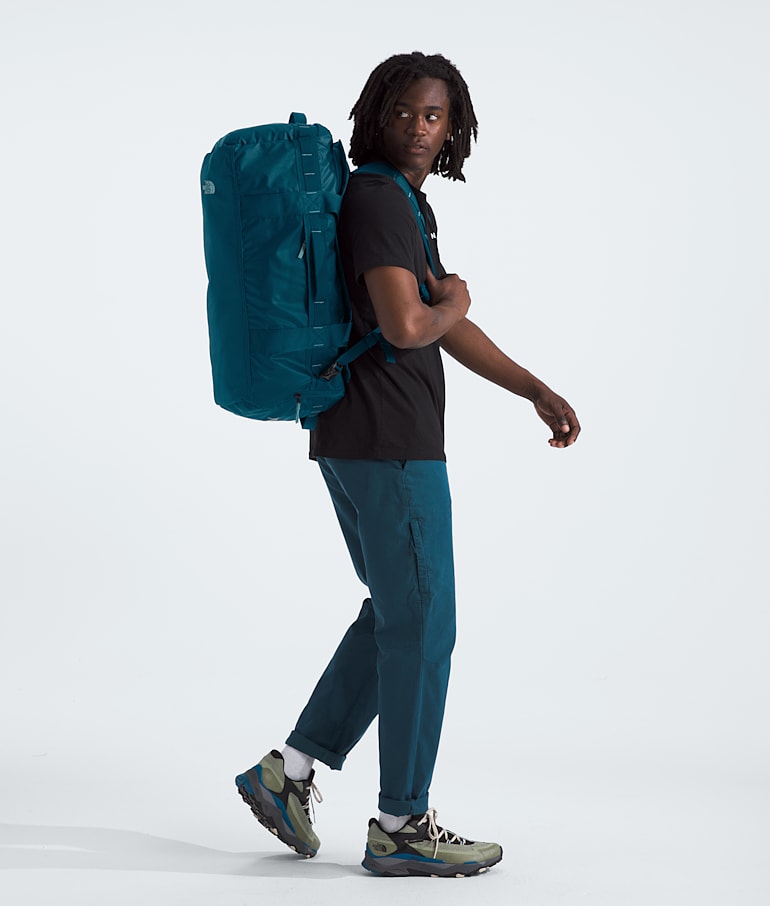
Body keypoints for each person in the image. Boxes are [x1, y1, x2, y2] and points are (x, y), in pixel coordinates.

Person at [234, 51, 580, 879]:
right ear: (376, 117)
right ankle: (401, 824)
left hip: (358, 435)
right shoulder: (381, 199)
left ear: (454, 127)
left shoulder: (395, 200)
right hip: (390, 441)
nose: (420, 128)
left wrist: (531, 387)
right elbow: (409, 325)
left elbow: (433, 321)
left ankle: (291, 771)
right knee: (425, 624)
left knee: (399, 613)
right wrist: (454, 297)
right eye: (405, 113)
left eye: (434, 116)